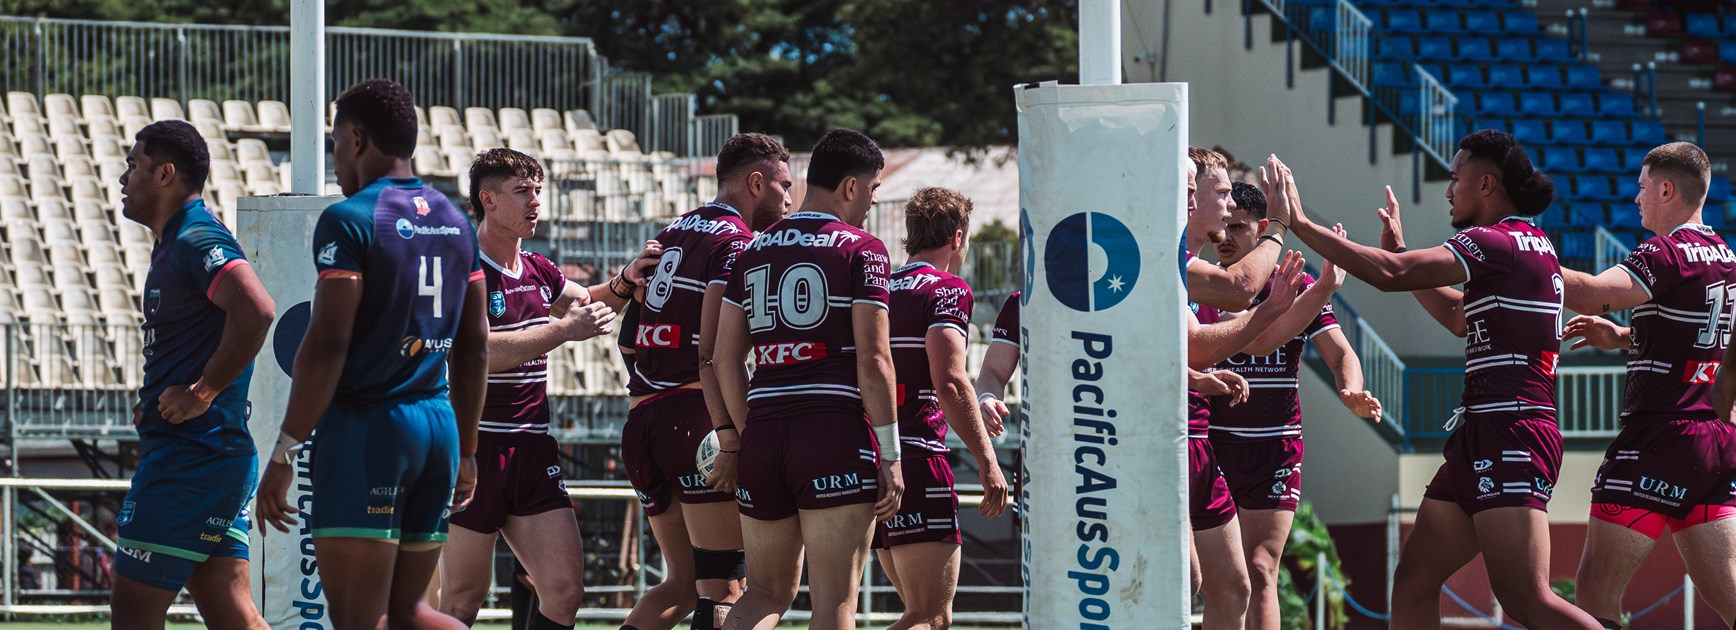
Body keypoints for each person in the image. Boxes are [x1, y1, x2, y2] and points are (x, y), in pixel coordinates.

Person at [1278, 130, 1600, 628]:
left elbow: (1390, 272)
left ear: (1487, 184)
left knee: (1525, 599)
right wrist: (1402, 251)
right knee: (1413, 584)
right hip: (1482, 434)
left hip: (1511, 433)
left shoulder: (1495, 242)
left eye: (1456, 178)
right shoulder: (1526, 246)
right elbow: (1456, 317)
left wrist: (1298, 222)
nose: (1449, 190)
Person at [256, 78, 489, 630]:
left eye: (337, 141)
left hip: (370, 432)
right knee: (410, 612)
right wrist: (470, 449)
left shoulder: (351, 217)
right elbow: (475, 346)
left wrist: (284, 451)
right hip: (439, 432)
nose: (337, 155)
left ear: (356, 139)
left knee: (360, 619)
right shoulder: (456, 221)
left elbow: (328, 342)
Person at [436, 148, 656, 629]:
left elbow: (589, 305)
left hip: (533, 447)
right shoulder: (462, 267)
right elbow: (475, 353)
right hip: (474, 446)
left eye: (538, 190)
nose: (535, 202)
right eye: (522, 192)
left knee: (563, 590)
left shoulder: (537, 268)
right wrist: (561, 330)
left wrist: (625, 279)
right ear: (487, 199)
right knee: (461, 602)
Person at [713, 128, 902, 630]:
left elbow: (722, 357)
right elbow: (875, 359)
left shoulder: (751, 250)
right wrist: (891, 453)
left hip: (764, 432)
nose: (872, 200)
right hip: (832, 431)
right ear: (849, 187)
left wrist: (746, 430)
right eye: (873, 188)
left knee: (763, 594)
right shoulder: (863, 248)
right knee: (835, 603)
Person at [619, 133, 793, 630]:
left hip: (642, 422)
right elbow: (717, 354)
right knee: (725, 588)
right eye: (783, 187)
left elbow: (628, 341)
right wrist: (733, 435)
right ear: (755, 182)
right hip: (696, 424)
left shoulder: (671, 232)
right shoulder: (736, 242)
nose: (788, 200)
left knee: (680, 583)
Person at [1561, 142, 1736, 627]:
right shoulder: (1725, 255)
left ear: (1666, 188)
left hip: (1660, 437)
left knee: (1596, 594)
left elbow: (1596, 295)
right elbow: (1703, 338)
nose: (1636, 199)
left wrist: (1523, 265)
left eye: (1642, 188)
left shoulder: (1666, 252)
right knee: (1730, 597)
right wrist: (1621, 337)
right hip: (1713, 441)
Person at [110, 120, 275, 630]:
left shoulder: (195, 236)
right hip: (210, 456)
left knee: (132, 616)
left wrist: (202, 392)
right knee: (233, 613)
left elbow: (257, 309)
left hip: (190, 461)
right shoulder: (174, 241)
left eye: (133, 165)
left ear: (165, 173)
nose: (123, 177)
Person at [1207, 183, 1381, 629]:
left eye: (1237, 229)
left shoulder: (1297, 283)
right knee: (1225, 578)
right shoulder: (1209, 285)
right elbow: (1262, 338)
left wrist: (1350, 390)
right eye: (1219, 230)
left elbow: (1343, 354)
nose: (1224, 239)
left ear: (1263, 230)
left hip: (1275, 450)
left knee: (1262, 567)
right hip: (1215, 447)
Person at [873, 187, 1009, 630]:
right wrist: (988, 460)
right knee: (930, 616)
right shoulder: (948, 289)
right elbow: (950, 380)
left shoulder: (883, 287)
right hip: (915, 456)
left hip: (874, 454)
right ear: (958, 236)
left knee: (915, 609)